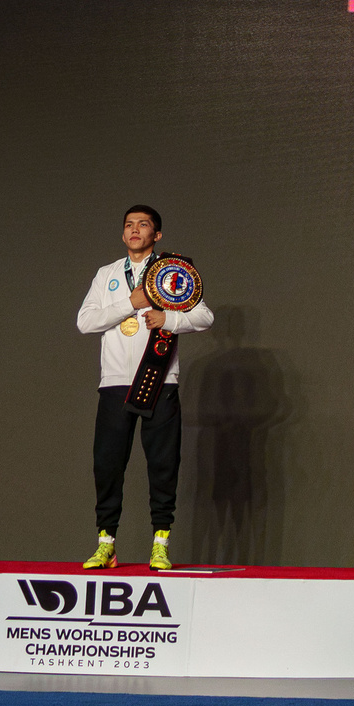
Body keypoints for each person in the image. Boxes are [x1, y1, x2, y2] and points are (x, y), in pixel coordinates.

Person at [75, 204, 212, 570]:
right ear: (123, 234)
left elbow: (204, 316)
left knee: (163, 464)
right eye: (129, 225)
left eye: (144, 225)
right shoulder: (107, 275)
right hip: (115, 383)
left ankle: (160, 544)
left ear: (157, 235)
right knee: (107, 465)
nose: (135, 230)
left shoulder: (173, 271)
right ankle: (106, 544)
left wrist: (169, 317)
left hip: (160, 380)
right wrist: (129, 304)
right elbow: (85, 322)